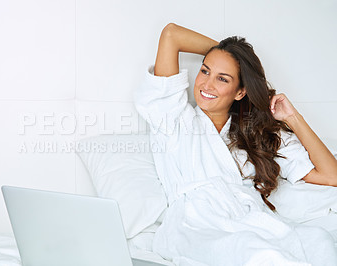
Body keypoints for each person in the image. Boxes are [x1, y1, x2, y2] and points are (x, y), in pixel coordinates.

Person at [134, 23, 337, 266]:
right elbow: (171, 34)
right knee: (256, 254)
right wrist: (225, 52)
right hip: (196, 224)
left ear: (240, 92)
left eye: (223, 78)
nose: (207, 85)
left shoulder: (255, 135)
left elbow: (330, 175)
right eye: (205, 71)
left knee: (318, 241)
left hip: (250, 219)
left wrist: (294, 118)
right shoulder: (172, 118)